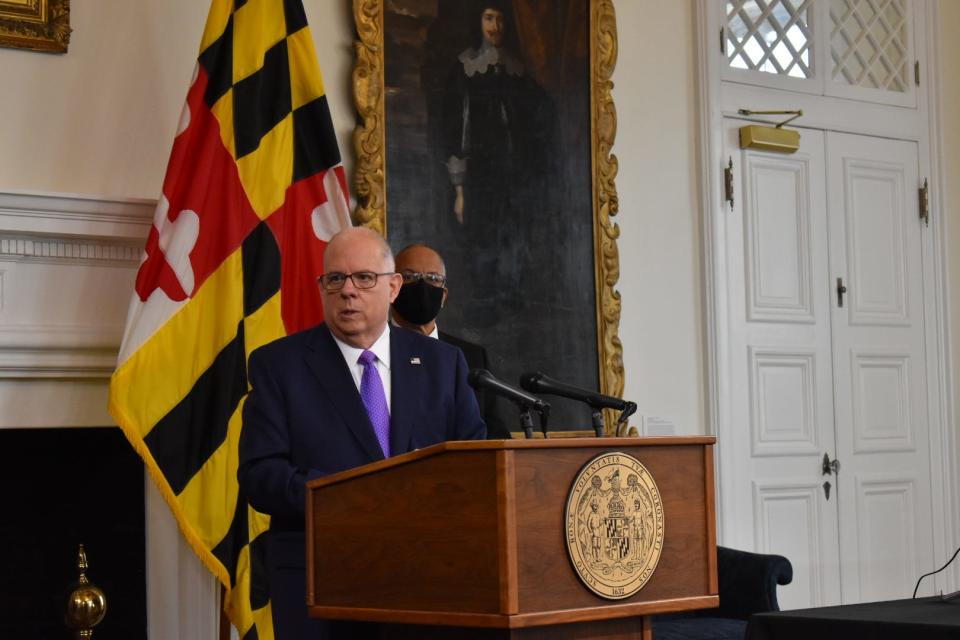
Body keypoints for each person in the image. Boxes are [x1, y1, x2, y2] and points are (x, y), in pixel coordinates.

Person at [238, 227, 486, 640]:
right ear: (322, 287)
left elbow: (475, 466)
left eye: (363, 278)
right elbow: (261, 477)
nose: (347, 291)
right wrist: (355, 499)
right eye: (335, 279)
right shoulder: (279, 366)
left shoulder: (443, 364)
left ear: (392, 287)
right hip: (321, 581)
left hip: (429, 580)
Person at [441, 0, 554, 320]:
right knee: (483, 234)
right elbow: (457, 128)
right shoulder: (465, 69)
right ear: (478, 22)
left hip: (515, 175)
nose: (495, 27)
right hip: (481, 175)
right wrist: (459, 187)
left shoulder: (519, 72)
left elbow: (533, 128)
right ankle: (485, 296)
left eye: (501, 20)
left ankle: (510, 291)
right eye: (489, 18)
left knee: (513, 233)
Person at [390, 242, 513, 438]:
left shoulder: (472, 356)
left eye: (432, 278)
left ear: (443, 296)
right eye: (410, 277)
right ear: (392, 288)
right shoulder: (374, 350)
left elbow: (494, 432)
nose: (422, 286)